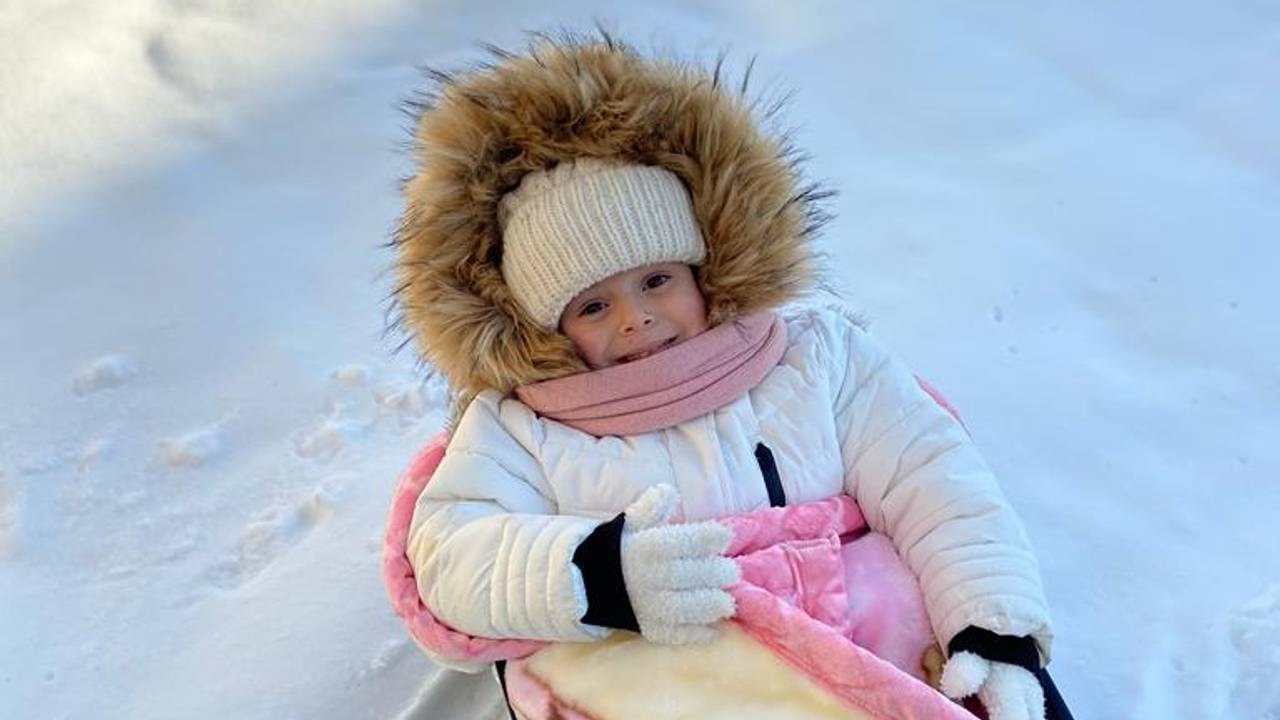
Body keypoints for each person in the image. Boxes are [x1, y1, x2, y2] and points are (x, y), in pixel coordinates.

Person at [390, 33, 1071, 720]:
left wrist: (991, 623)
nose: (636, 319)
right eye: (593, 306)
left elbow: (932, 479)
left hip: (867, 654)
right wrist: (597, 574)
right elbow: (452, 551)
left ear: (702, 271)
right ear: (549, 328)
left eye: (656, 280)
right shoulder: (525, 430)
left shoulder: (813, 359)